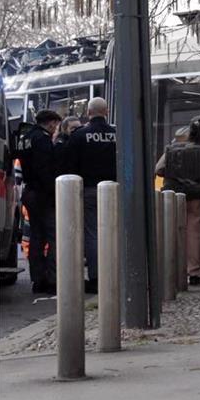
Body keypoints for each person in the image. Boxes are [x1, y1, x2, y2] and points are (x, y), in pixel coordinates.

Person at [60, 98, 116, 293]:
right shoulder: (117, 134)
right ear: (106, 112)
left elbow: (69, 165)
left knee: (92, 235)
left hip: (89, 190)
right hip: (115, 190)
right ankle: (115, 274)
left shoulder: (79, 135)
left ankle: (97, 278)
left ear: (88, 113)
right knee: (114, 232)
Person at [155, 118, 200, 284]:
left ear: (189, 135)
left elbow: (159, 169)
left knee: (171, 231)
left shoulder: (172, 150)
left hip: (173, 195)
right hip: (197, 197)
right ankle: (194, 271)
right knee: (194, 233)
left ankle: (171, 269)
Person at [19, 109, 62, 294]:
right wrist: (54, 192)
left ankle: (38, 279)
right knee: (53, 235)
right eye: (56, 124)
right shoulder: (42, 140)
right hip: (43, 194)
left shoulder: (25, 138)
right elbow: (45, 169)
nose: (56, 128)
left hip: (30, 192)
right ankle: (52, 278)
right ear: (51, 123)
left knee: (36, 237)